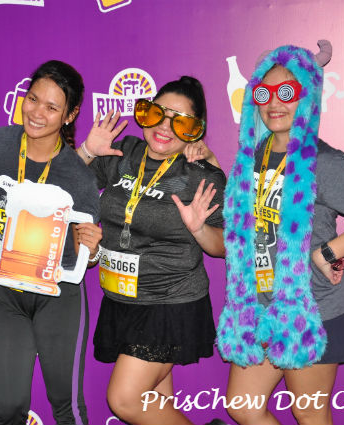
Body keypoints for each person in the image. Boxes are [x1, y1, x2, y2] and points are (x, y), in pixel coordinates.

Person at [216, 43, 344, 425]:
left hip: (313, 310)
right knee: (244, 407)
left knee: (309, 412)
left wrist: (327, 252)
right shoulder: (252, 157)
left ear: (308, 97)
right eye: (264, 93)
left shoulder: (324, 161)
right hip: (261, 309)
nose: (274, 103)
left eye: (288, 92)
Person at [78, 76, 226, 425]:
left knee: (125, 400)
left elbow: (225, 246)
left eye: (180, 121)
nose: (165, 127)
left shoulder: (200, 174)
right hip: (122, 299)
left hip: (170, 302)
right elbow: (58, 183)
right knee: (154, 406)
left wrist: (200, 229)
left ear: (195, 130)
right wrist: (86, 151)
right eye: (158, 113)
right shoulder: (121, 153)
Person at [0, 60, 101, 425]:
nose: (37, 112)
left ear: (69, 115)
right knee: (7, 408)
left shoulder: (78, 176)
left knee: (67, 406)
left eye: (51, 107)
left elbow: (84, 253)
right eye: (33, 99)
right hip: (4, 292)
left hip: (57, 297)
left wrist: (92, 249)